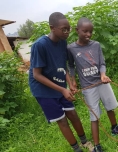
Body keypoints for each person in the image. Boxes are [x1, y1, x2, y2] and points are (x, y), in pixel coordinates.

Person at [28, 12, 93, 152]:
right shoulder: (40, 45)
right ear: (52, 28)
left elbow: (62, 66)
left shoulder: (62, 42)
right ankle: (77, 149)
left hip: (59, 84)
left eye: (69, 28)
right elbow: (37, 75)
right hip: (43, 89)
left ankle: (85, 142)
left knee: (73, 114)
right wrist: (62, 90)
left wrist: (69, 84)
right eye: (64, 29)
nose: (67, 32)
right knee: (62, 120)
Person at [67, 17, 118, 152]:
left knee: (110, 107)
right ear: (77, 30)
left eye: (91, 32)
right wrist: (73, 80)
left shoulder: (96, 45)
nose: (88, 34)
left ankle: (114, 128)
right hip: (89, 88)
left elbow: (102, 63)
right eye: (85, 31)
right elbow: (70, 65)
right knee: (94, 116)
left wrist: (103, 75)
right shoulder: (71, 48)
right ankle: (97, 146)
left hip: (102, 83)